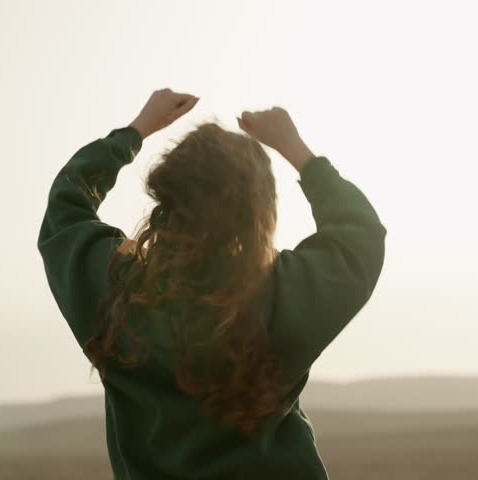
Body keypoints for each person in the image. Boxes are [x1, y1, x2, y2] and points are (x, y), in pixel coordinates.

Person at [37, 88, 386, 479]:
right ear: (261, 212)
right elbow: (360, 236)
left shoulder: (116, 294)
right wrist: (295, 149)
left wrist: (134, 132)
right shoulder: (284, 294)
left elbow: (65, 209)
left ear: (164, 197)